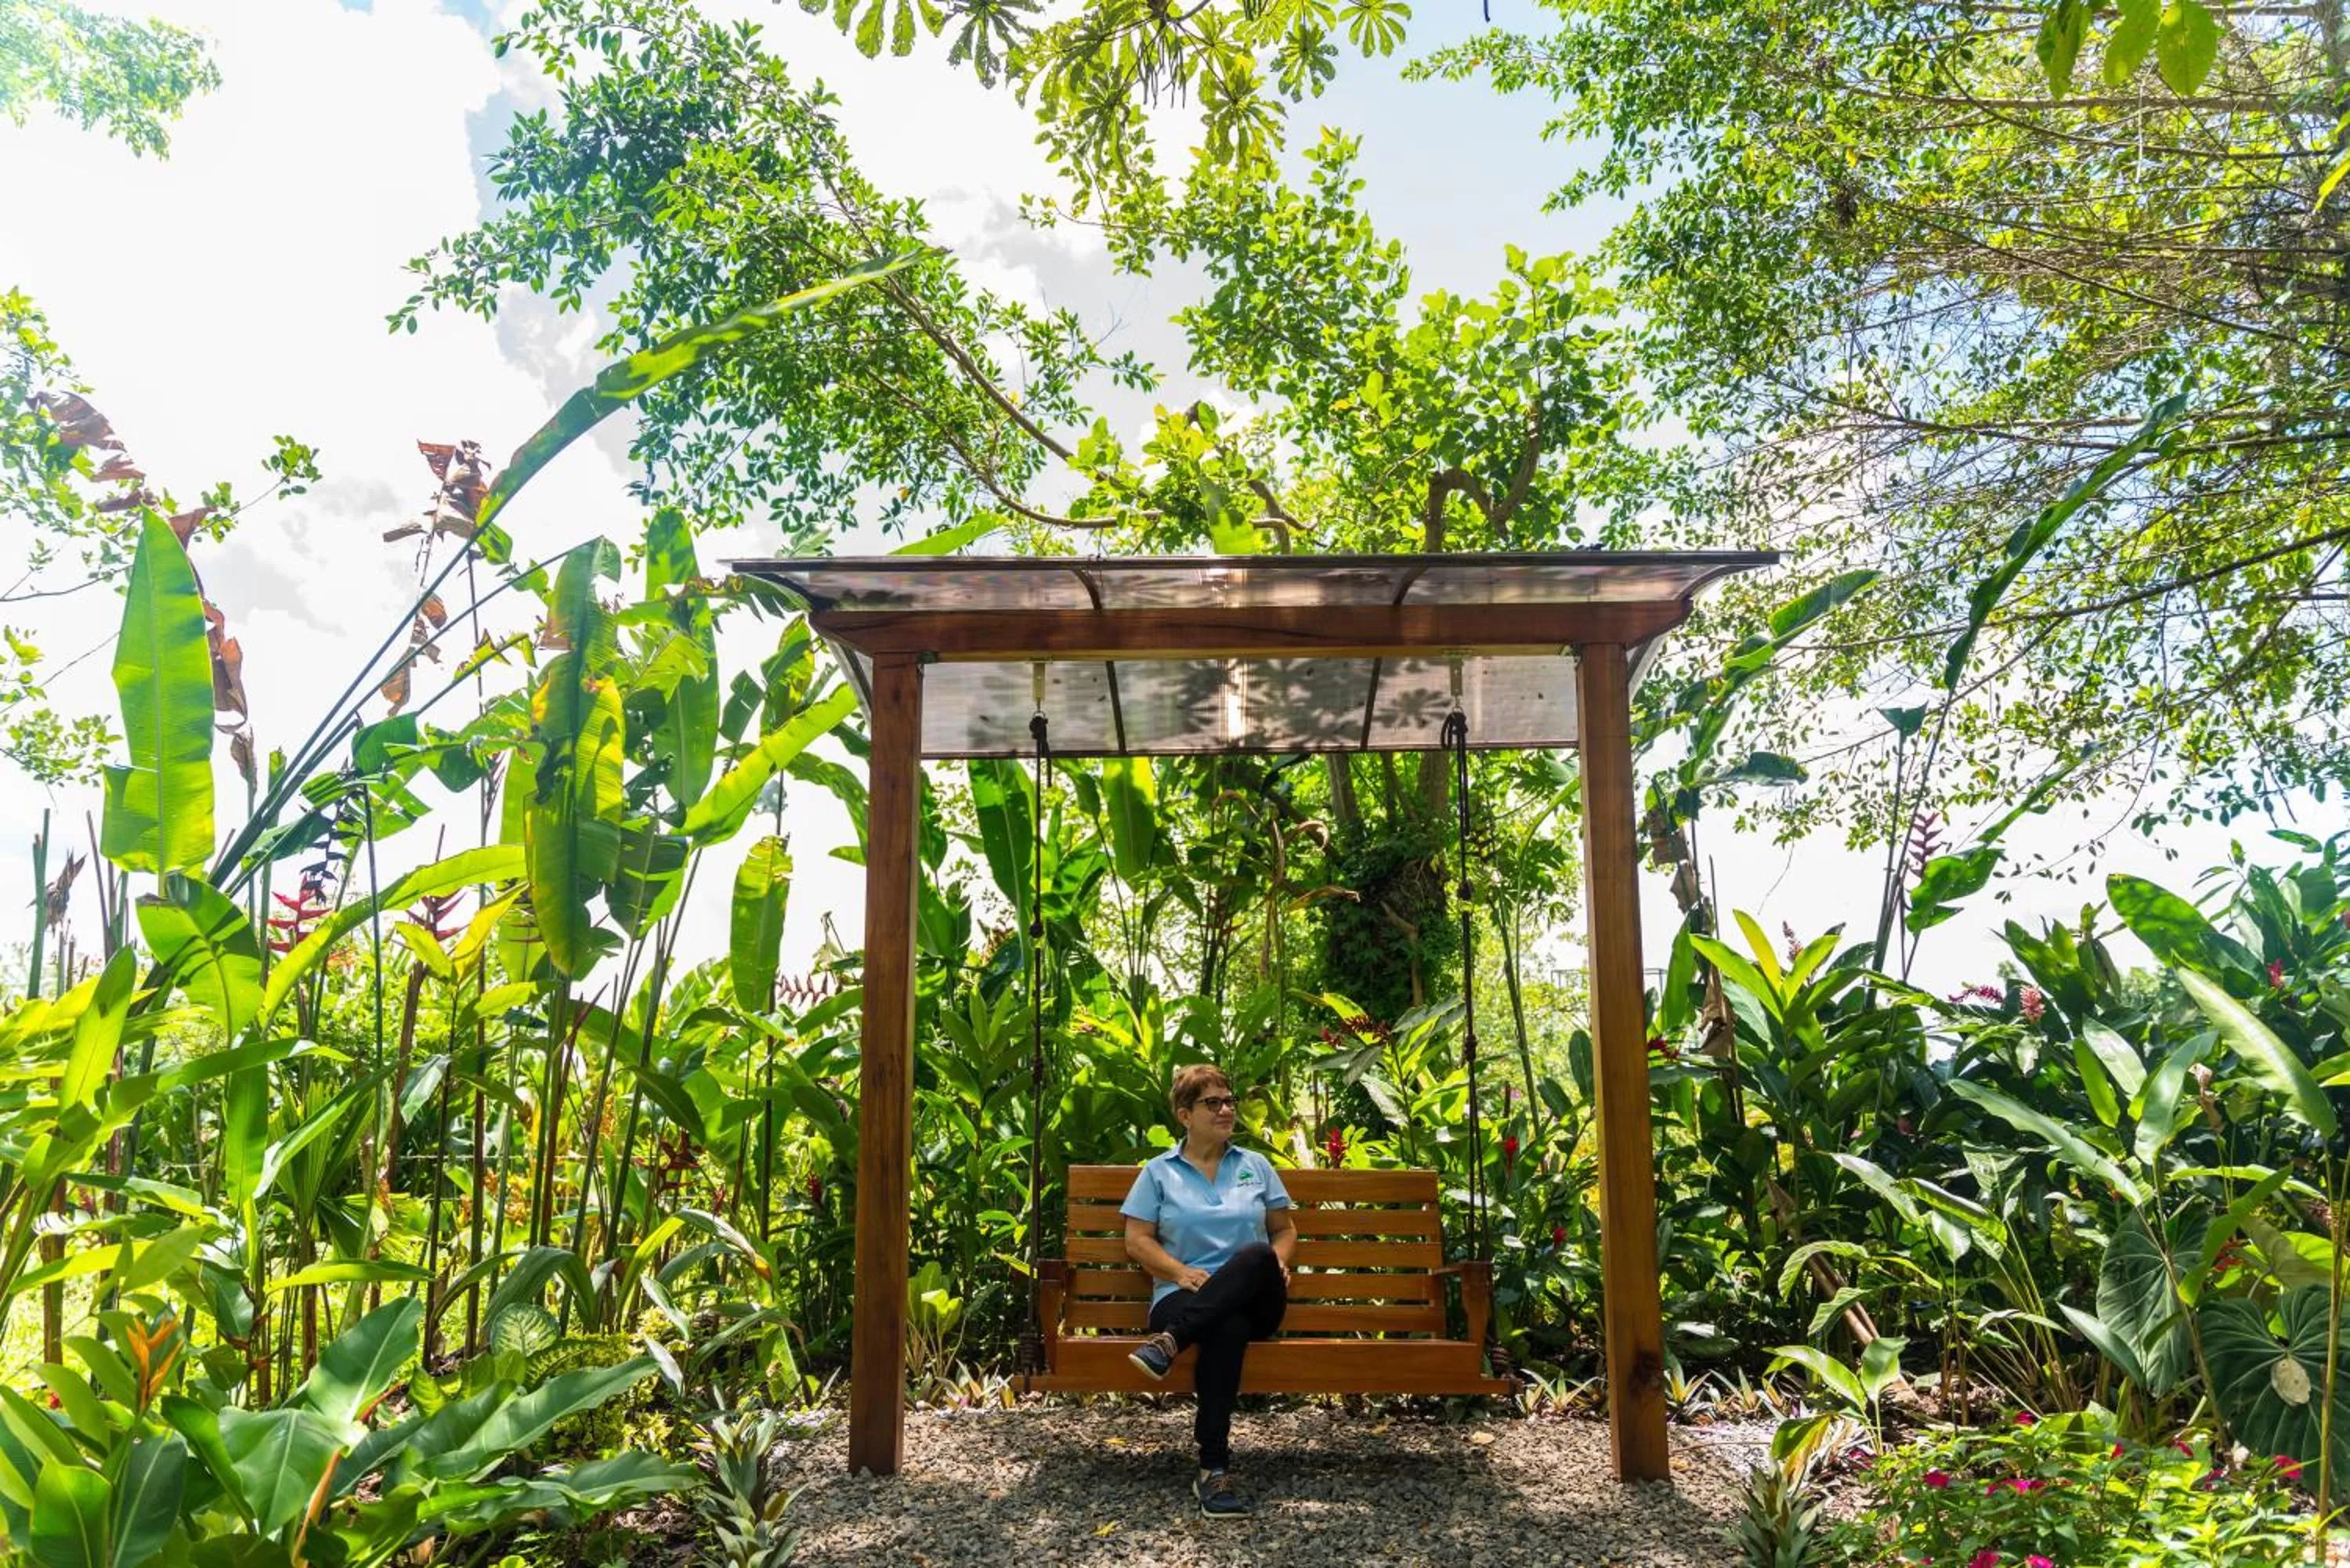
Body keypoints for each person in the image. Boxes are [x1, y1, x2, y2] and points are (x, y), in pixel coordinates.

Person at [1119, 1064, 1296, 1520]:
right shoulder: (1159, 1173)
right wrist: (1178, 1272)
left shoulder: (1255, 1166)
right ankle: (1213, 1469)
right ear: (1184, 1115)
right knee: (1226, 1325)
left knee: (1257, 1255)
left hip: (1257, 1298)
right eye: (1212, 1103)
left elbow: (1284, 1230)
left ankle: (1170, 1343)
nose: (1226, 1110)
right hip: (1185, 1294)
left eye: (1229, 1101)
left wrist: (1276, 1262)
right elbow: (1136, 1240)